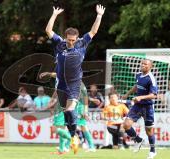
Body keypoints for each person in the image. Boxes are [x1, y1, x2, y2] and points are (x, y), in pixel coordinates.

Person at [45, 4, 105, 154]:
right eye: (69, 40)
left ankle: (74, 137)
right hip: (61, 85)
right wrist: (54, 15)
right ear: (65, 37)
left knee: (71, 110)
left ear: (77, 38)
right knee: (66, 114)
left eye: (73, 40)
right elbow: (48, 30)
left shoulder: (82, 43)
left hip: (74, 84)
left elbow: (93, 31)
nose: (71, 42)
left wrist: (99, 15)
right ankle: (73, 138)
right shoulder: (59, 44)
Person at [122, 59, 158, 159]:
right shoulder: (138, 75)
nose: (142, 65)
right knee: (126, 125)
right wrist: (127, 94)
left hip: (148, 107)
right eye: (142, 63)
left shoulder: (151, 79)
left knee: (149, 131)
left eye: (145, 64)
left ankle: (152, 151)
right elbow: (137, 86)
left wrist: (140, 97)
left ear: (150, 66)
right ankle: (138, 140)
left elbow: (153, 95)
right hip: (137, 106)